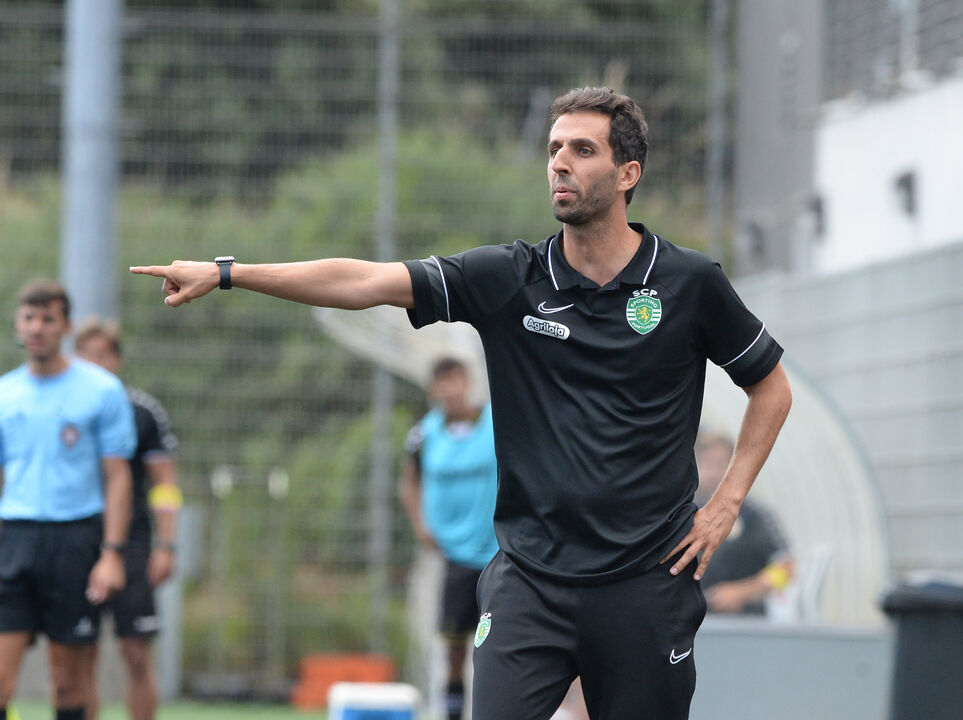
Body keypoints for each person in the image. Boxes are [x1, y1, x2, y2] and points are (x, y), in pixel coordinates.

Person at [130, 86, 792, 720]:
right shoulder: (509, 278)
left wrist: (725, 503)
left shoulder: (687, 283)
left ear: (628, 173)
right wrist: (228, 273)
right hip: (531, 582)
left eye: (582, 150)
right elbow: (365, 280)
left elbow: (770, 387)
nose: (559, 161)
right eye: (554, 147)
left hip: (647, 582)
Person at [0, 280, 135, 720]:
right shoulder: (5, 394)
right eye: (29, 318)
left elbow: (118, 477)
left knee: (67, 682)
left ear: (65, 327)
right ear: (18, 324)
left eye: (47, 319)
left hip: (75, 540)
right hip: (14, 538)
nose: (37, 327)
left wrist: (112, 554)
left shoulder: (100, 390)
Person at [74, 320, 181, 720]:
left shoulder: (142, 412)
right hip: (78, 541)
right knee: (79, 654)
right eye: (86, 355)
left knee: (136, 653)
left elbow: (166, 484)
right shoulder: (64, 410)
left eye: (103, 355)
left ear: (117, 360)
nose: (94, 364)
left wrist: (166, 544)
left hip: (133, 545)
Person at [399, 357, 498, 720]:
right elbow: (408, 481)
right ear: (433, 389)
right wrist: (420, 525)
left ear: (468, 382)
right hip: (451, 555)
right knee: (453, 644)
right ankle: (452, 712)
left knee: (498, 643)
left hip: (499, 553)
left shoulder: (495, 422)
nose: (451, 390)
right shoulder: (423, 433)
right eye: (443, 383)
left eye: (456, 381)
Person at [695, 430, 794, 615]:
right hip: (693, 626)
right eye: (705, 464)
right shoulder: (684, 514)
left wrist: (743, 592)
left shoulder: (756, 516)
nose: (712, 473)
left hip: (746, 626)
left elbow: (787, 569)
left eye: (720, 464)